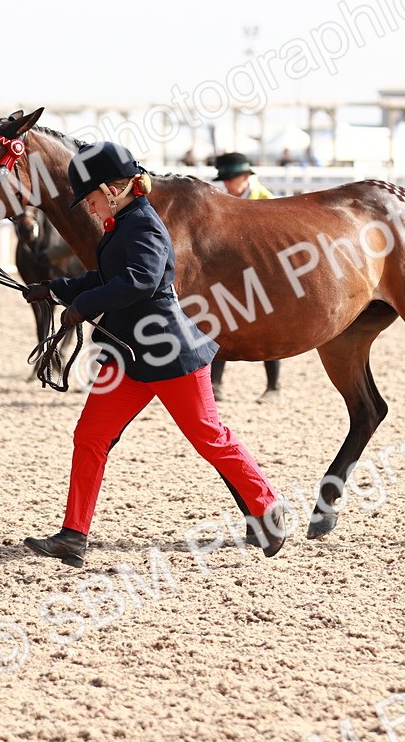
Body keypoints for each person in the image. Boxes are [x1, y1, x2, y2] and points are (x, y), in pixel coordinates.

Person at [22, 141, 289, 567]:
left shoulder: (143, 225)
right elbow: (104, 276)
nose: (88, 208)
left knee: (209, 437)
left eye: (90, 198)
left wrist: (83, 308)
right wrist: (55, 290)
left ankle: (268, 508)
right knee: (90, 435)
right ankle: (73, 535)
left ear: (112, 190)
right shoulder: (121, 224)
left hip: (167, 352)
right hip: (129, 358)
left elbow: (139, 281)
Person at [209, 152, 280, 402]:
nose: (227, 184)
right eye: (225, 180)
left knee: (269, 327)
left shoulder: (266, 200)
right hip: (230, 273)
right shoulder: (223, 200)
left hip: (261, 273)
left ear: (244, 177)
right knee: (219, 324)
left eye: (230, 179)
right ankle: (215, 384)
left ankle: (273, 387)